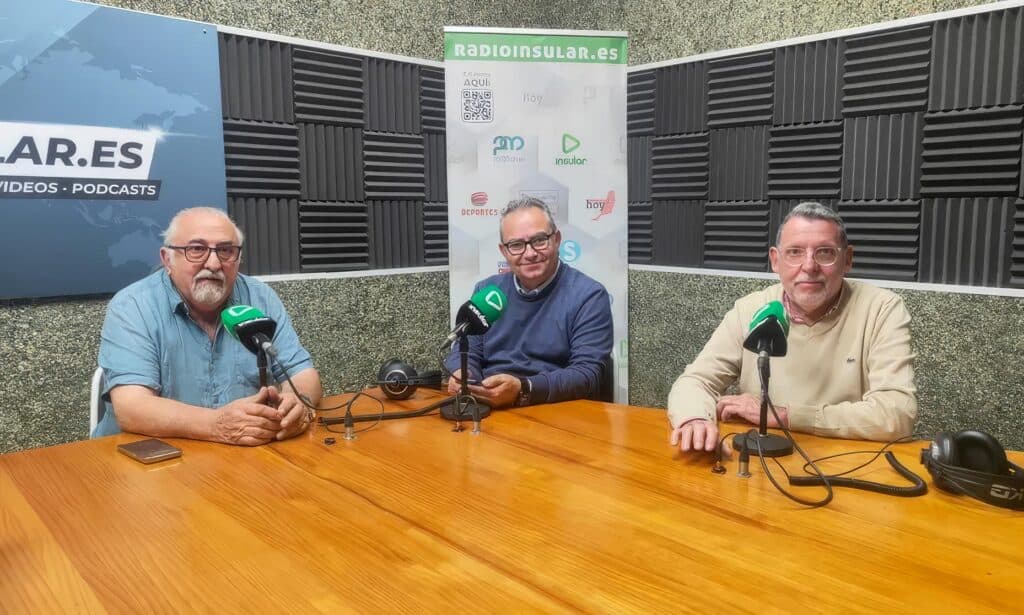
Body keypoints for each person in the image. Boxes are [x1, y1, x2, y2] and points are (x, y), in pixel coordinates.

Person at [668, 202, 917, 453]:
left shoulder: (882, 309)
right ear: (776, 261)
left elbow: (898, 412)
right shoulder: (751, 308)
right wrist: (695, 418)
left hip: (845, 465)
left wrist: (786, 416)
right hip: (760, 464)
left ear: (847, 259)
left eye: (825, 252)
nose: (809, 266)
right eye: (795, 252)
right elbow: (696, 381)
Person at [95, 207, 322, 445]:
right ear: (167, 259)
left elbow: (302, 373)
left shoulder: (261, 298)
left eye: (225, 251)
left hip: (241, 455)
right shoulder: (133, 305)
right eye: (196, 249)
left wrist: (298, 403)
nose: (214, 263)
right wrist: (216, 425)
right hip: (150, 457)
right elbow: (132, 408)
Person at [445, 197, 613, 408]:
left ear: (557, 240)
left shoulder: (589, 296)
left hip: (556, 411)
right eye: (516, 245)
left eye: (539, 240)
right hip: (489, 410)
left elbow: (586, 373)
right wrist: (463, 375)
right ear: (504, 251)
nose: (530, 253)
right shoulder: (487, 291)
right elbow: (466, 350)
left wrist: (523, 388)